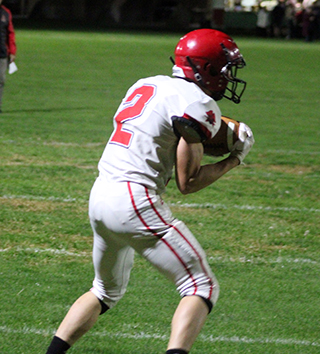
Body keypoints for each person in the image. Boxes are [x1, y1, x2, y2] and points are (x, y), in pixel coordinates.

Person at [45, 29, 254, 354]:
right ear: (206, 68)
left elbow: (161, 134)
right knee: (201, 285)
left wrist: (206, 135)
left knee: (104, 291)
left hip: (100, 196)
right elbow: (189, 182)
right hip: (134, 201)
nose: (228, 77)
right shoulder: (200, 103)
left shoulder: (146, 83)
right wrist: (235, 159)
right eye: (225, 69)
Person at [0, 0, 16, 113]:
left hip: (2, 53)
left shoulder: (6, 13)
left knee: (1, 80)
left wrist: (12, 51)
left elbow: (10, 33)